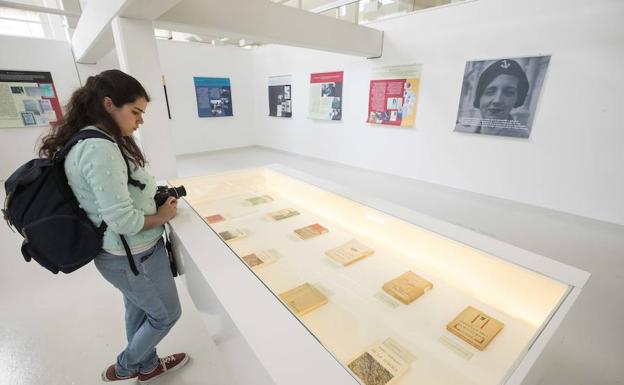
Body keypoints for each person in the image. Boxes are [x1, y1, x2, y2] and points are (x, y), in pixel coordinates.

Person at [38, 69, 189, 383]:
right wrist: (162, 216)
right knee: (165, 316)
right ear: (109, 104)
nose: (140, 120)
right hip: (133, 256)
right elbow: (123, 220)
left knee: (138, 310)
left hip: (126, 254)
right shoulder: (99, 148)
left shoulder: (95, 139)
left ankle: (147, 367)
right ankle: (124, 367)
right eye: (135, 112)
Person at [472, 59, 530, 136]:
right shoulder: (464, 129)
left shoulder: (523, 137)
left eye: (508, 93)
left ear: (517, 99)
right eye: (490, 92)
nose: (497, 100)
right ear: (479, 97)